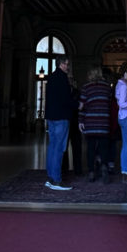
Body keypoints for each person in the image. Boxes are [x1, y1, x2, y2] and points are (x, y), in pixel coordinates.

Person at [78, 66, 114, 183]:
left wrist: (81, 121)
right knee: (104, 147)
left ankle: (91, 172)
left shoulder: (86, 88)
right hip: (103, 122)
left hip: (90, 122)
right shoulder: (107, 87)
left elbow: (82, 106)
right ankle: (104, 166)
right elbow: (108, 103)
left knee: (90, 148)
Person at [44, 56, 74, 191]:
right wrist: (77, 105)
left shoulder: (51, 77)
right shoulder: (62, 78)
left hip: (51, 116)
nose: (68, 67)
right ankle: (56, 180)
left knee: (52, 146)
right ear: (62, 64)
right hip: (61, 116)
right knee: (59, 148)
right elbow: (66, 99)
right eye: (67, 64)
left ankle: (50, 177)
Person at [116, 63, 127, 175]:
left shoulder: (120, 84)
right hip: (126, 116)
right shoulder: (124, 86)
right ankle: (126, 168)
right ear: (125, 73)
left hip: (123, 116)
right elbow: (122, 103)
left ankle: (126, 167)